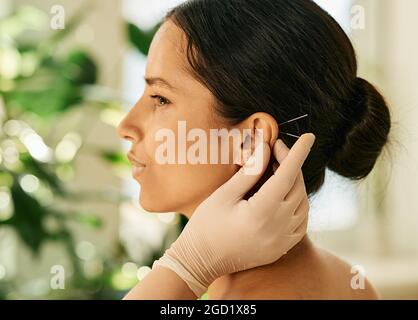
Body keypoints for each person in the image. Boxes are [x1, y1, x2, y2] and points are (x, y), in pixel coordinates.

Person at [118, 0, 390, 299]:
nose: (126, 125)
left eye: (160, 98)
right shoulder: (353, 285)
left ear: (252, 139)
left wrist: (186, 267)